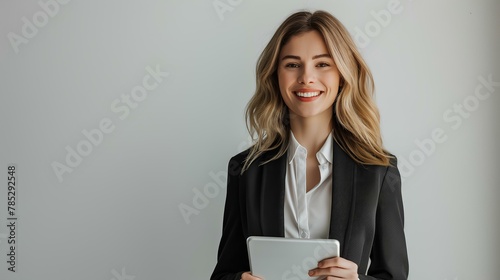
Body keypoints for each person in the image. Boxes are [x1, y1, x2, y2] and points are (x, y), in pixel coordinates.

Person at [211, 10, 409, 280]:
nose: (306, 77)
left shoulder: (378, 171)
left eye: (322, 64)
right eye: (292, 64)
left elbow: (394, 275)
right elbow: (223, 273)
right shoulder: (246, 169)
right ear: (275, 75)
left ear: (342, 74)